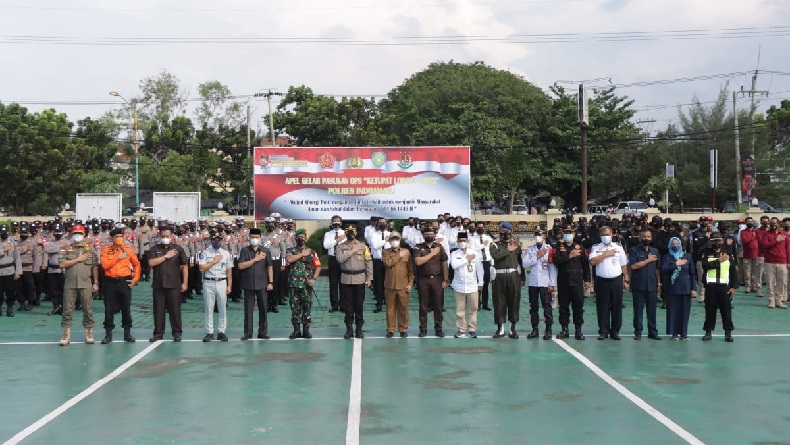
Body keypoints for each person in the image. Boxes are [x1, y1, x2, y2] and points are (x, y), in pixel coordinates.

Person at [58, 224, 99, 346]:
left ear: (84, 235)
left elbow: (95, 267)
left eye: (80, 233)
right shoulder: (65, 248)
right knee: (67, 310)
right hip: (70, 284)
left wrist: (96, 282)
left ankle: (89, 333)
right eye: (75, 233)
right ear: (71, 234)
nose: (78, 235)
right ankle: (66, 335)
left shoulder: (90, 249)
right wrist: (78, 259)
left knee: (87, 309)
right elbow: (61, 264)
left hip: (85, 284)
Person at [146, 226, 189, 342]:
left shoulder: (178, 249)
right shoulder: (155, 249)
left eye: (167, 236)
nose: (165, 238)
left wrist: (185, 283)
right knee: (158, 311)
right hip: (158, 285)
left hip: (174, 285)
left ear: (172, 236)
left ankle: (177, 333)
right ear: (160, 236)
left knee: (175, 310)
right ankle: (158, 333)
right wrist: (166, 256)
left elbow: (185, 266)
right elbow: (151, 263)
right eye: (163, 236)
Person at [99, 228, 141, 344]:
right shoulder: (106, 250)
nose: (119, 239)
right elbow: (105, 265)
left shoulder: (128, 250)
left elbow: (136, 265)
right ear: (112, 238)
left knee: (125, 308)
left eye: (121, 236)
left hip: (124, 281)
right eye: (117, 236)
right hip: (110, 282)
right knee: (109, 309)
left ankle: (127, 333)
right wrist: (118, 257)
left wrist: (135, 279)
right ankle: (108, 334)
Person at [589, 226, 629, 340]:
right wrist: (606, 254)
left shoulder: (618, 248)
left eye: (608, 234)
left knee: (617, 306)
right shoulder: (596, 248)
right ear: (600, 236)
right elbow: (592, 262)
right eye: (603, 235)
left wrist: (626, 279)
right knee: (602, 307)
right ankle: (603, 331)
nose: (606, 237)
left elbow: (623, 264)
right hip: (601, 281)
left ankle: (615, 331)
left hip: (616, 280)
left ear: (612, 235)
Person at [552, 224, 591, 340]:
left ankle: (578, 330)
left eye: (570, 233)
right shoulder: (559, 247)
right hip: (563, 281)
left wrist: (587, 280)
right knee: (563, 307)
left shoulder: (580, 248)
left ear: (574, 234)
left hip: (577, 281)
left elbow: (585, 265)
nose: (568, 235)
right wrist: (569, 255)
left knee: (578, 307)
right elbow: (556, 261)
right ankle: (564, 329)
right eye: (566, 233)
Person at [489, 222, 526, 339]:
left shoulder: (516, 246)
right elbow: (496, 256)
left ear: (511, 232)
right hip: (499, 276)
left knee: (514, 301)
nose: (505, 234)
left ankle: (512, 328)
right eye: (502, 232)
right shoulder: (494, 245)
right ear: (499, 233)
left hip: (513, 276)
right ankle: (500, 328)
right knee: (499, 302)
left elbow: (521, 262)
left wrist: (523, 277)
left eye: (507, 232)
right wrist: (508, 250)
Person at [237, 228, 275, 340]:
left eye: (257, 237)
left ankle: (262, 332)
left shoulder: (265, 251)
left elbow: (270, 267)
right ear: (249, 238)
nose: (255, 239)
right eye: (252, 237)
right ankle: (247, 333)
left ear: (260, 238)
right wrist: (255, 259)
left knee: (263, 309)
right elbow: (240, 266)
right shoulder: (244, 251)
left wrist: (271, 282)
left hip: (262, 284)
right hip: (248, 284)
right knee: (248, 310)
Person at [700, 232, 737, 342]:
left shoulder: (728, 253)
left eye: (718, 240)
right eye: (714, 241)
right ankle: (708, 332)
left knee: (726, 310)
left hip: (724, 287)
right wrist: (718, 261)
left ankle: (728, 332)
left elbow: (733, 271)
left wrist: (733, 287)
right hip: (711, 287)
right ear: (711, 242)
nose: (717, 243)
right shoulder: (706, 252)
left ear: (722, 241)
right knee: (710, 310)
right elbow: (705, 265)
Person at [285, 228, 321, 339]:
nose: (301, 239)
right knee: (295, 307)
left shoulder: (312, 252)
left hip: (307, 285)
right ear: (295, 238)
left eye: (303, 237)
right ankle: (296, 330)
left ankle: (306, 330)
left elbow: (318, 266)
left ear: (306, 238)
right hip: (294, 284)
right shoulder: (290, 250)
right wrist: (302, 254)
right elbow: (289, 260)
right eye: (298, 237)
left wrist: (314, 279)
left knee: (307, 306)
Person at [413, 225, 449, 338]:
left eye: (431, 234)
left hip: (437, 279)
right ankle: (423, 328)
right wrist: (432, 253)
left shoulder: (440, 247)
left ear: (434, 235)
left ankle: (438, 328)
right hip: (423, 279)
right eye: (427, 234)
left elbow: (444, 263)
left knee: (438, 305)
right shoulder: (418, 248)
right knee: (423, 305)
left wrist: (445, 279)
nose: (429, 236)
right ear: (423, 235)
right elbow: (418, 262)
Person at [198, 232, 233, 342]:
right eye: (214, 240)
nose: (216, 242)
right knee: (209, 308)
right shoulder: (205, 252)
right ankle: (209, 332)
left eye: (218, 240)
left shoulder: (226, 253)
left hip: (222, 282)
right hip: (209, 282)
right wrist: (214, 261)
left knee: (222, 308)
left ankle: (221, 331)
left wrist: (229, 285)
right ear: (210, 240)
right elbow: (202, 268)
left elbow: (229, 270)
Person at [522, 229, 556, 340]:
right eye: (536, 234)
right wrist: (536, 256)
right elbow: (524, 264)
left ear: (544, 235)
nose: (538, 236)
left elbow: (552, 267)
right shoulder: (530, 249)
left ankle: (548, 329)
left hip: (545, 282)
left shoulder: (549, 249)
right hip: (533, 282)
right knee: (534, 307)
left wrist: (552, 283)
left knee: (547, 306)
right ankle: (535, 329)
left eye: (540, 234)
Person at [628, 228, 661, 340]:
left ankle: (653, 332)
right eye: (644, 236)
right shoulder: (633, 250)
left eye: (648, 237)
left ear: (651, 238)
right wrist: (648, 260)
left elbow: (657, 269)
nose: (646, 238)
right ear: (640, 238)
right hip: (638, 285)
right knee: (638, 310)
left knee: (652, 310)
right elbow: (633, 266)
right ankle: (638, 332)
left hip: (652, 285)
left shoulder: (655, 251)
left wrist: (659, 283)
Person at [661, 237, 697, 340]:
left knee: (685, 311)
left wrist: (693, 288)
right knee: (673, 311)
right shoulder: (667, 257)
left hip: (686, 288)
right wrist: (675, 264)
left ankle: (684, 333)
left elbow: (692, 273)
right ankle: (674, 333)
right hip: (672, 288)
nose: (675, 245)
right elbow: (664, 270)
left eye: (677, 243)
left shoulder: (687, 256)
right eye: (673, 244)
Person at [449, 232, 483, 338]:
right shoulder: (454, 253)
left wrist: (480, 282)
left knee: (473, 309)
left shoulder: (474, 253)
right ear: (457, 242)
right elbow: (454, 265)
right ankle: (461, 329)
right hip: (459, 286)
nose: (462, 243)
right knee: (460, 310)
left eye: (464, 241)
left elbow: (479, 269)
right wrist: (467, 259)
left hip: (472, 286)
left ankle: (472, 328)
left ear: (467, 241)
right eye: (460, 241)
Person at [381, 231, 413, 338]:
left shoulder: (406, 251)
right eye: (393, 239)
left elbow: (411, 270)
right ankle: (390, 329)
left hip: (403, 285)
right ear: (389, 241)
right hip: (390, 285)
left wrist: (410, 283)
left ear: (400, 240)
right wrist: (399, 256)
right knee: (390, 308)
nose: (395, 241)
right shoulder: (385, 252)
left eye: (397, 239)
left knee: (403, 308)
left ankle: (403, 329)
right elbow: (388, 263)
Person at [759, 217, 788, 309]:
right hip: (769, 262)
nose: (773, 225)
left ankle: (779, 300)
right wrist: (776, 241)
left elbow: (788, 248)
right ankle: (771, 301)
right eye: (771, 223)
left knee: (782, 281)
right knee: (770, 281)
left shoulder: (783, 234)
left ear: (778, 224)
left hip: (782, 261)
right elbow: (764, 246)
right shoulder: (766, 234)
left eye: (775, 223)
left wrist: (788, 261)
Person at [322, 215, 346, 312]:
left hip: (343, 259)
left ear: (341, 223)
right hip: (332, 259)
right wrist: (337, 240)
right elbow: (326, 245)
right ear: (331, 223)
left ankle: (343, 305)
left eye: (338, 221)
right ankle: (334, 305)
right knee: (333, 283)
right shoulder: (328, 234)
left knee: (343, 282)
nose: (336, 223)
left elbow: (347, 245)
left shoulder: (345, 233)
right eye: (334, 221)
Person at [44, 224, 68, 316]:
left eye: (59, 232)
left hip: (62, 270)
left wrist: (60, 246)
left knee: (63, 290)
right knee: (53, 290)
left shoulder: (67, 242)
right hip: (52, 269)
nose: (58, 234)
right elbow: (47, 250)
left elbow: (69, 249)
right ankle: (56, 306)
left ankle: (63, 307)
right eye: (56, 232)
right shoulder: (50, 243)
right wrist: (59, 246)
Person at [470, 221, 493, 311]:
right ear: (476, 228)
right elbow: (472, 250)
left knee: (486, 283)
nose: (481, 228)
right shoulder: (472, 239)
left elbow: (491, 251)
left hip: (486, 262)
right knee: (478, 283)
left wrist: (493, 263)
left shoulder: (488, 238)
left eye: (482, 227)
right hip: (477, 262)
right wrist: (483, 245)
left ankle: (485, 304)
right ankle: (477, 303)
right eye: (479, 227)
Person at [368, 217, 390, 313]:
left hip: (389, 262)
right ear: (377, 224)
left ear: (387, 224)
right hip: (377, 261)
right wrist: (385, 240)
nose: (382, 224)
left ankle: (388, 302)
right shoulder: (373, 234)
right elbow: (375, 246)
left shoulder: (391, 234)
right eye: (380, 223)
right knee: (378, 284)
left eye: (383, 223)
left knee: (389, 283)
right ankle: (379, 304)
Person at [0, 224, 22, 318]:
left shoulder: (13, 243)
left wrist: (18, 272)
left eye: (5, 232)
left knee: (10, 291)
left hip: (9, 270)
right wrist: (4, 249)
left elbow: (17, 259)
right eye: (1, 232)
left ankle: (10, 308)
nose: (3, 234)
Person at [739, 217, 759, 293]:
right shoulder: (743, 232)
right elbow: (745, 241)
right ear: (746, 223)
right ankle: (748, 287)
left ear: (753, 223)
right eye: (748, 222)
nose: (750, 223)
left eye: (751, 221)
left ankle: (754, 287)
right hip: (747, 255)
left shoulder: (756, 231)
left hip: (756, 254)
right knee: (747, 272)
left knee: (755, 272)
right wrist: (753, 236)